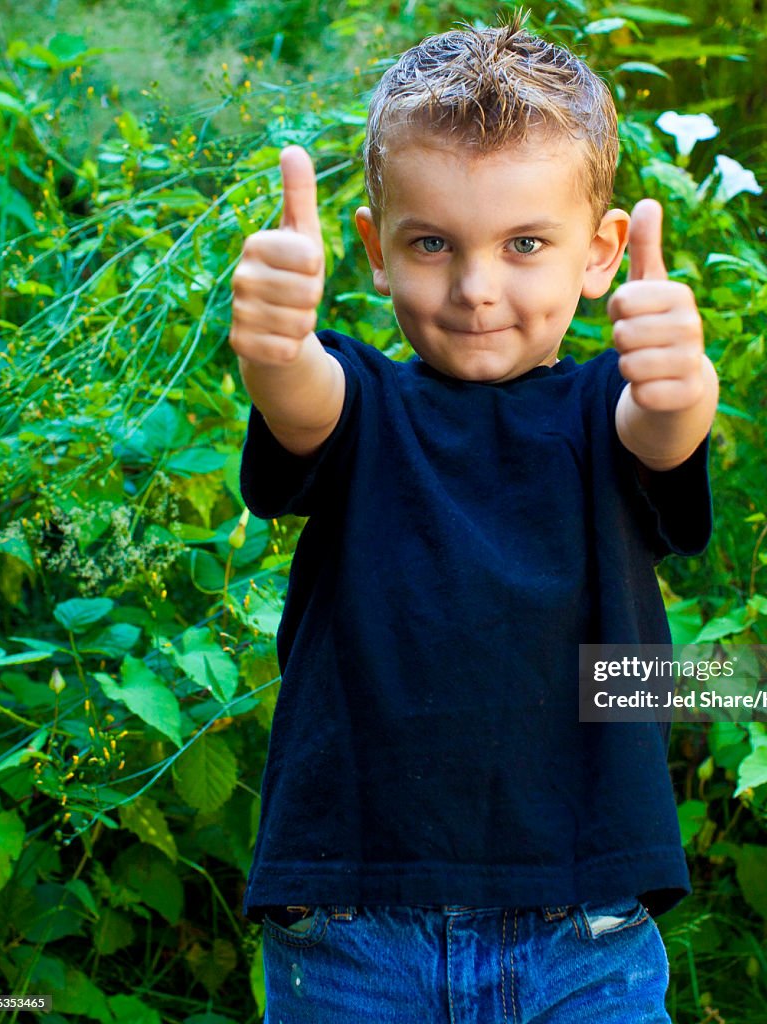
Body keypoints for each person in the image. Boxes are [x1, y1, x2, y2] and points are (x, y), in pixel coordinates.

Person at [229, 12, 717, 1022]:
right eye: (432, 243)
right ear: (374, 249)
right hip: (354, 932)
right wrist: (276, 350)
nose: (475, 288)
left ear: (602, 251)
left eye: (525, 243)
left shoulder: (601, 412)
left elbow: (658, 430)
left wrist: (678, 383)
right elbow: (304, 397)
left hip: (582, 935)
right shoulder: (363, 404)